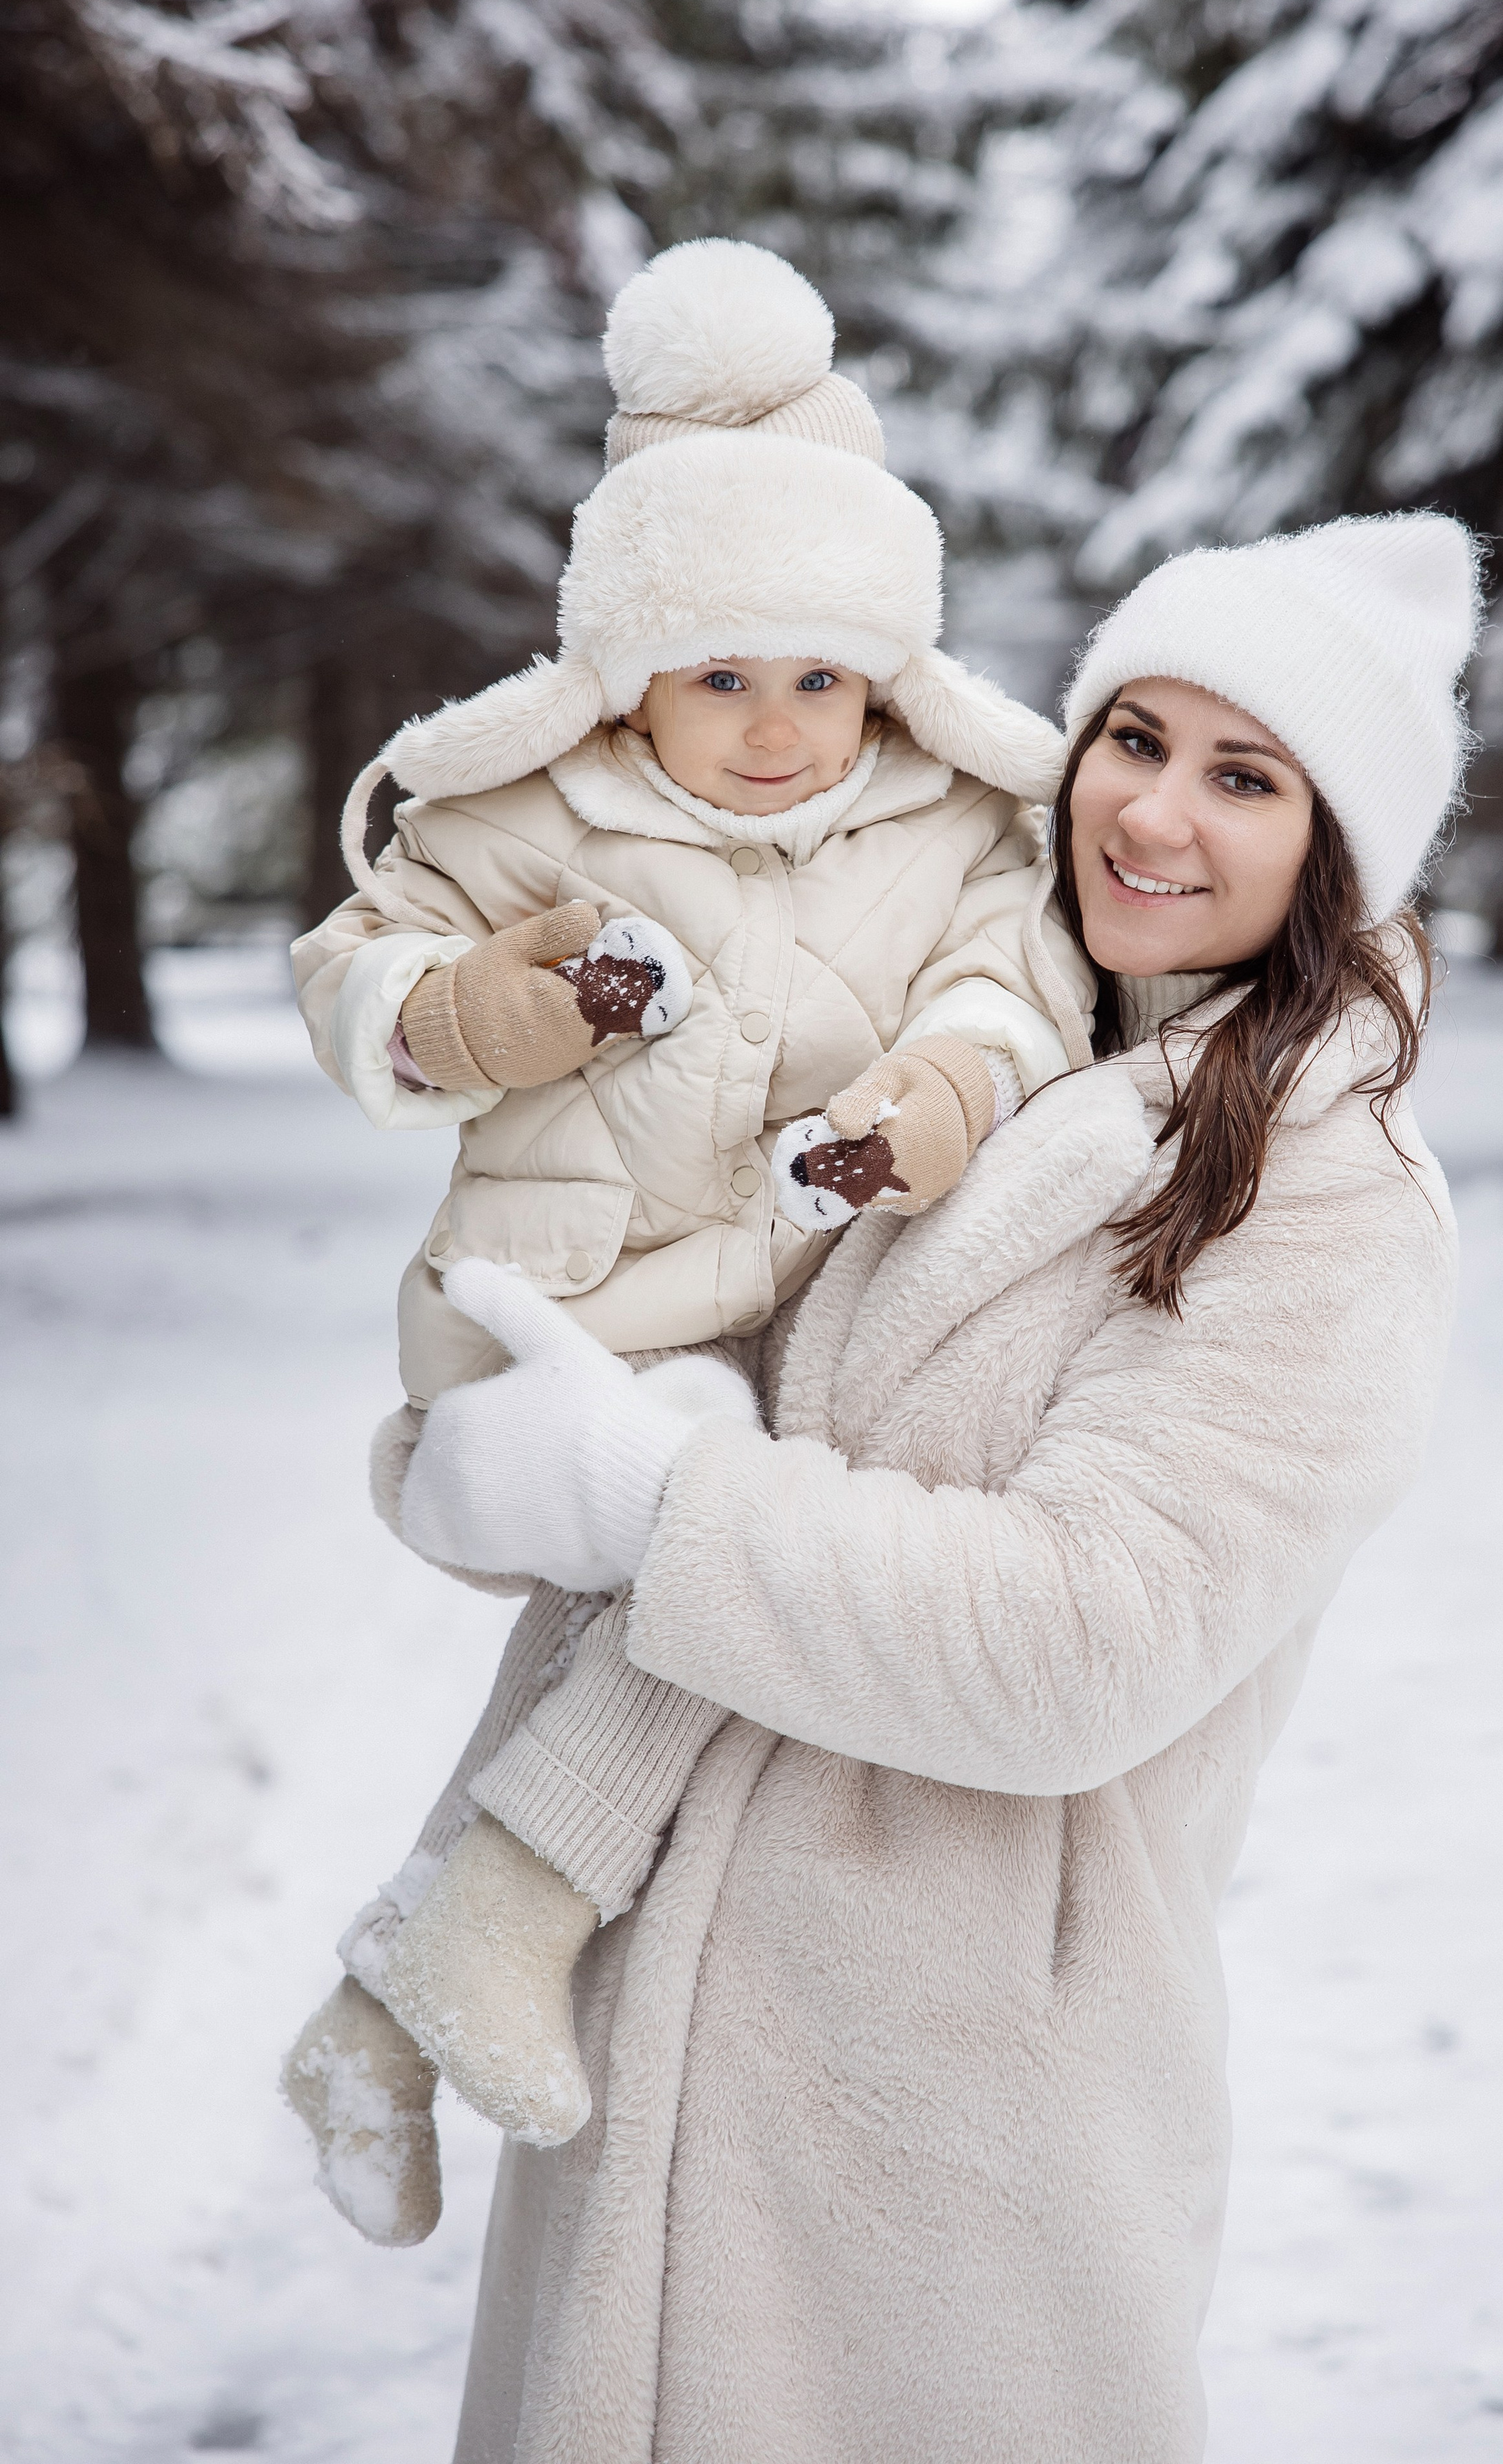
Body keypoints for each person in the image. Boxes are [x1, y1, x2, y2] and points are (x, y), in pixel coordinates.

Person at [365, 509, 1477, 2463]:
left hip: (949, 2128)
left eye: (1245, 778)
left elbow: (1086, 1641)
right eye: (1134, 737)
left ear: (1335, 852)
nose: (1155, 813)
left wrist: (649, 1501)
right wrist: (508, 1439)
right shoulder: (997, 1059)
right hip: (694, 2031)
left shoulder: (1325, 1186)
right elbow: (721, 1345)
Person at [280, 238, 1091, 2243]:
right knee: (723, 1537)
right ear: (628, 663)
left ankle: (385, 2003)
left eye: (821, 675)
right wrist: (470, 1010)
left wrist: (942, 1093)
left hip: (790, 1331)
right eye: (721, 672)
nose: (774, 726)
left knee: (691, 1593)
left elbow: (1016, 983)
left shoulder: (942, 826)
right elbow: (357, 962)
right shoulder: (539, 808)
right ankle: (490, 1924)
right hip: (559, 1328)